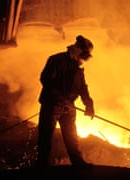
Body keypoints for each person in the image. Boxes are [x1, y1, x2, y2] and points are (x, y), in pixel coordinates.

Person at [36, 35, 95, 168]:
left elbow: (82, 86)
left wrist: (89, 104)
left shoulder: (78, 66)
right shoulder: (57, 60)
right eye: (84, 54)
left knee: (71, 136)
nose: (85, 58)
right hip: (51, 105)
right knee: (46, 135)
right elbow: (45, 79)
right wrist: (59, 98)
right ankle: (42, 164)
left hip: (69, 106)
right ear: (77, 50)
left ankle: (78, 163)